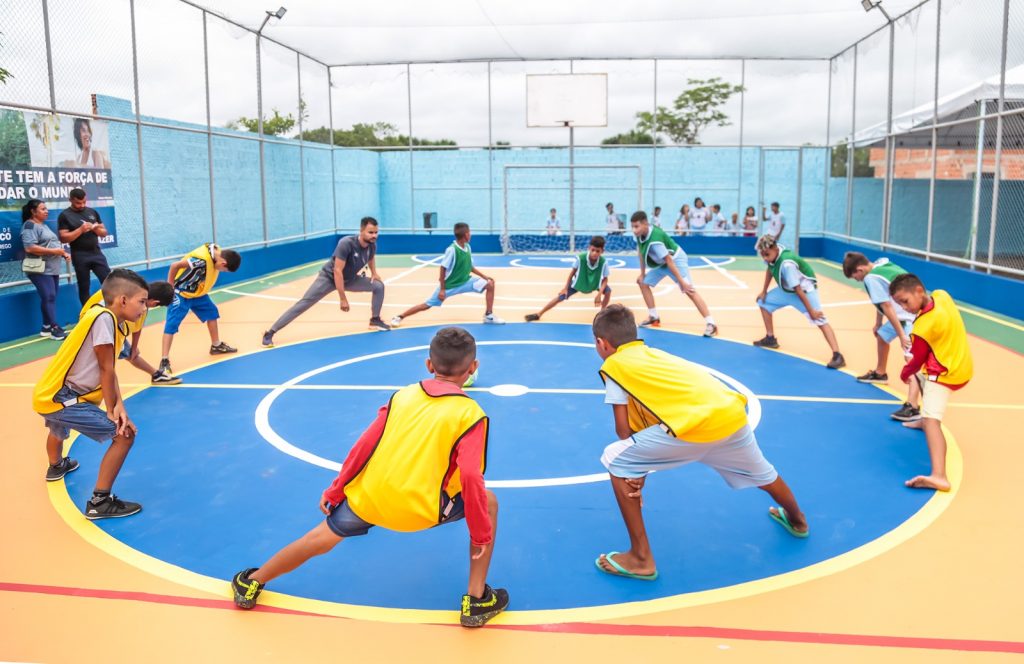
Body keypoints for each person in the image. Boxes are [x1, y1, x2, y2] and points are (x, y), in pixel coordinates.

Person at [231, 327, 508, 627]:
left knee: (318, 538)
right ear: (473, 368)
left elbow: (363, 446)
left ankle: (253, 582)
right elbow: (470, 475)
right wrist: (480, 532)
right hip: (421, 510)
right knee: (489, 502)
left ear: (429, 365)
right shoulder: (470, 413)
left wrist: (337, 490)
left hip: (371, 498)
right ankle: (477, 599)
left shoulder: (403, 396)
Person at [591, 304, 808, 580]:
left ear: (602, 343)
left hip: (692, 429)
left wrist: (637, 470)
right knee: (763, 473)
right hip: (730, 416)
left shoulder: (614, 366)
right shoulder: (654, 355)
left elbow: (624, 431)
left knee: (615, 458)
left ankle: (641, 558)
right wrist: (642, 464)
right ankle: (798, 520)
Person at [33, 268, 149, 519]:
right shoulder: (104, 319)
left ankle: (56, 465)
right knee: (124, 435)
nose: (144, 309)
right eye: (142, 302)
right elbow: (106, 368)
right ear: (123, 300)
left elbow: (109, 369)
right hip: (63, 398)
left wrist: (120, 406)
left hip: (51, 393)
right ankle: (100, 501)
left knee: (57, 428)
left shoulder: (107, 319)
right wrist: (113, 412)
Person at [889, 274, 973, 491]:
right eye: (899, 304)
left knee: (932, 420)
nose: (903, 308)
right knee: (921, 374)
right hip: (962, 364)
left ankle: (939, 476)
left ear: (918, 291)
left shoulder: (923, 326)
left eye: (904, 301)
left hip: (943, 374)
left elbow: (916, 360)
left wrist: (903, 373)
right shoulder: (942, 295)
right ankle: (922, 419)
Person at [262, 218, 390, 347]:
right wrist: (342, 298)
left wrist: (374, 272)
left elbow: (371, 257)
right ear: (361, 231)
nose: (374, 236)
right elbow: (337, 271)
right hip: (329, 278)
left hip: (350, 279)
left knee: (378, 286)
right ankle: (270, 332)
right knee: (304, 303)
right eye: (370, 232)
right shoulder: (346, 243)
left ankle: (375, 320)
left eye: (376, 232)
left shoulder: (372, 245)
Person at [841, 252, 921, 421]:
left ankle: (913, 407)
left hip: (909, 318)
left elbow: (886, 305)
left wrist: (901, 335)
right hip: (903, 314)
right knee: (882, 336)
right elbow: (883, 302)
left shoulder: (871, 279)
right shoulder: (881, 265)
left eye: (855, 276)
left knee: (911, 361)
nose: (857, 280)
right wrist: (878, 323)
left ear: (860, 269)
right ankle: (880, 373)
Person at [753, 235, 845, 369]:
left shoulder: (787, 264)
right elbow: (770, 269)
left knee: (819, 319)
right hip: (787, 290)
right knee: (764, 303)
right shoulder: (772, 254)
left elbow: (798, 290)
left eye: (766, 254)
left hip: (805, 292)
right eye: (762, 256)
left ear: (774, 248)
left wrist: (812, 311)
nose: (765, 258)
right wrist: (764, 291)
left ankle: (838, 355)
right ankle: (770, 338)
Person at [390, 223, 504, 327]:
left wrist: (485, 277)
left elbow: (470, 267)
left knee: (490, 284)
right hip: (449, 285)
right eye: (469, 233)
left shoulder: (468, 247)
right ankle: (400, 316)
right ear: (465, 235)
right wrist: (442, 289)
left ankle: (488, 315)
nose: (471, 235)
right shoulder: (452, 250)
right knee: (427, 305)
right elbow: (443, 269)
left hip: (466, 281)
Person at [159, 243, 242, 376]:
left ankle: (216, 345)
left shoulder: (217, 253)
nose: (222, 272)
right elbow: (175, 266)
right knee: (171, 325)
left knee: (212, 313)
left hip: (197, 293)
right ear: (223, 263)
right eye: (224, 270)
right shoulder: (200, 261)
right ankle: (164, 361)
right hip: (181, 293)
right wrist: (170, 288)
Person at [631, 211, 717, 337]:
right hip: (662, 263)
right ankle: (653, 316)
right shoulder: (639, 235)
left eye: (636, 226)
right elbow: (641, 253)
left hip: (676, 260)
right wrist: (642, 274)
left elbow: (669, 260)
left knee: (690, 290)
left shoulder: (655, 239)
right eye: (632, 227)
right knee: (643, 283)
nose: (634, 230)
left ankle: (711, 324)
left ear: (645, 224)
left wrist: (682, 283)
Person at [81, 280, 178, 385]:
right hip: (94, 324)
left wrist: (134, 347)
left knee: (129, 353)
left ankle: (155, 375)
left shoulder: (139, 294)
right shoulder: (129, 299)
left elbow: (138, 325)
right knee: (106, 364)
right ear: (155, 303)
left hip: (101, 322)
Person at [524, 235, 612, 321]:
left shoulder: (603, 262)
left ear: (602, 251)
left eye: (597, 251)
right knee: (561, 296)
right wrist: (566, 288)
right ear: (589, 248)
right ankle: (539, 314)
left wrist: (599, 294)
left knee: (608, 291)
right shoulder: (581, 258)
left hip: (594, 283)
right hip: (579, 282)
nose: (594, 253)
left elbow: (605, 279)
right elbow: (572, 273)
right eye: (593, 250)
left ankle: (601, 315)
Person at [20, 199, 70, 340]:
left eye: (46, 208)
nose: (46, 211)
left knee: (51, 297)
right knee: (48, 296)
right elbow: (30, 248)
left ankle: (46, 327)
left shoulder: (43, 225)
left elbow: (51, 245)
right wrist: (56, 251)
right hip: (39, 269)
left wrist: (63, 253)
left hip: (51, 268)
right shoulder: (29, 226)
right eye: (42, 209)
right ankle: (54, 328)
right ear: (33, 211)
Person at [58, 188, 112, 306]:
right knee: (84, 286)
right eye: (78, 203)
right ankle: (86, 314)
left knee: (109, 281)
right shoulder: (65, 215)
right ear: (70, 200)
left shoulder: (92, 212)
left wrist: (95, 228)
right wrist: (81, 230)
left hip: (96, 253)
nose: (82, 205)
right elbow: (63, 237)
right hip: (80, 255)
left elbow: (104, 232)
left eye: (84, 202)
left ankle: (112, 309)